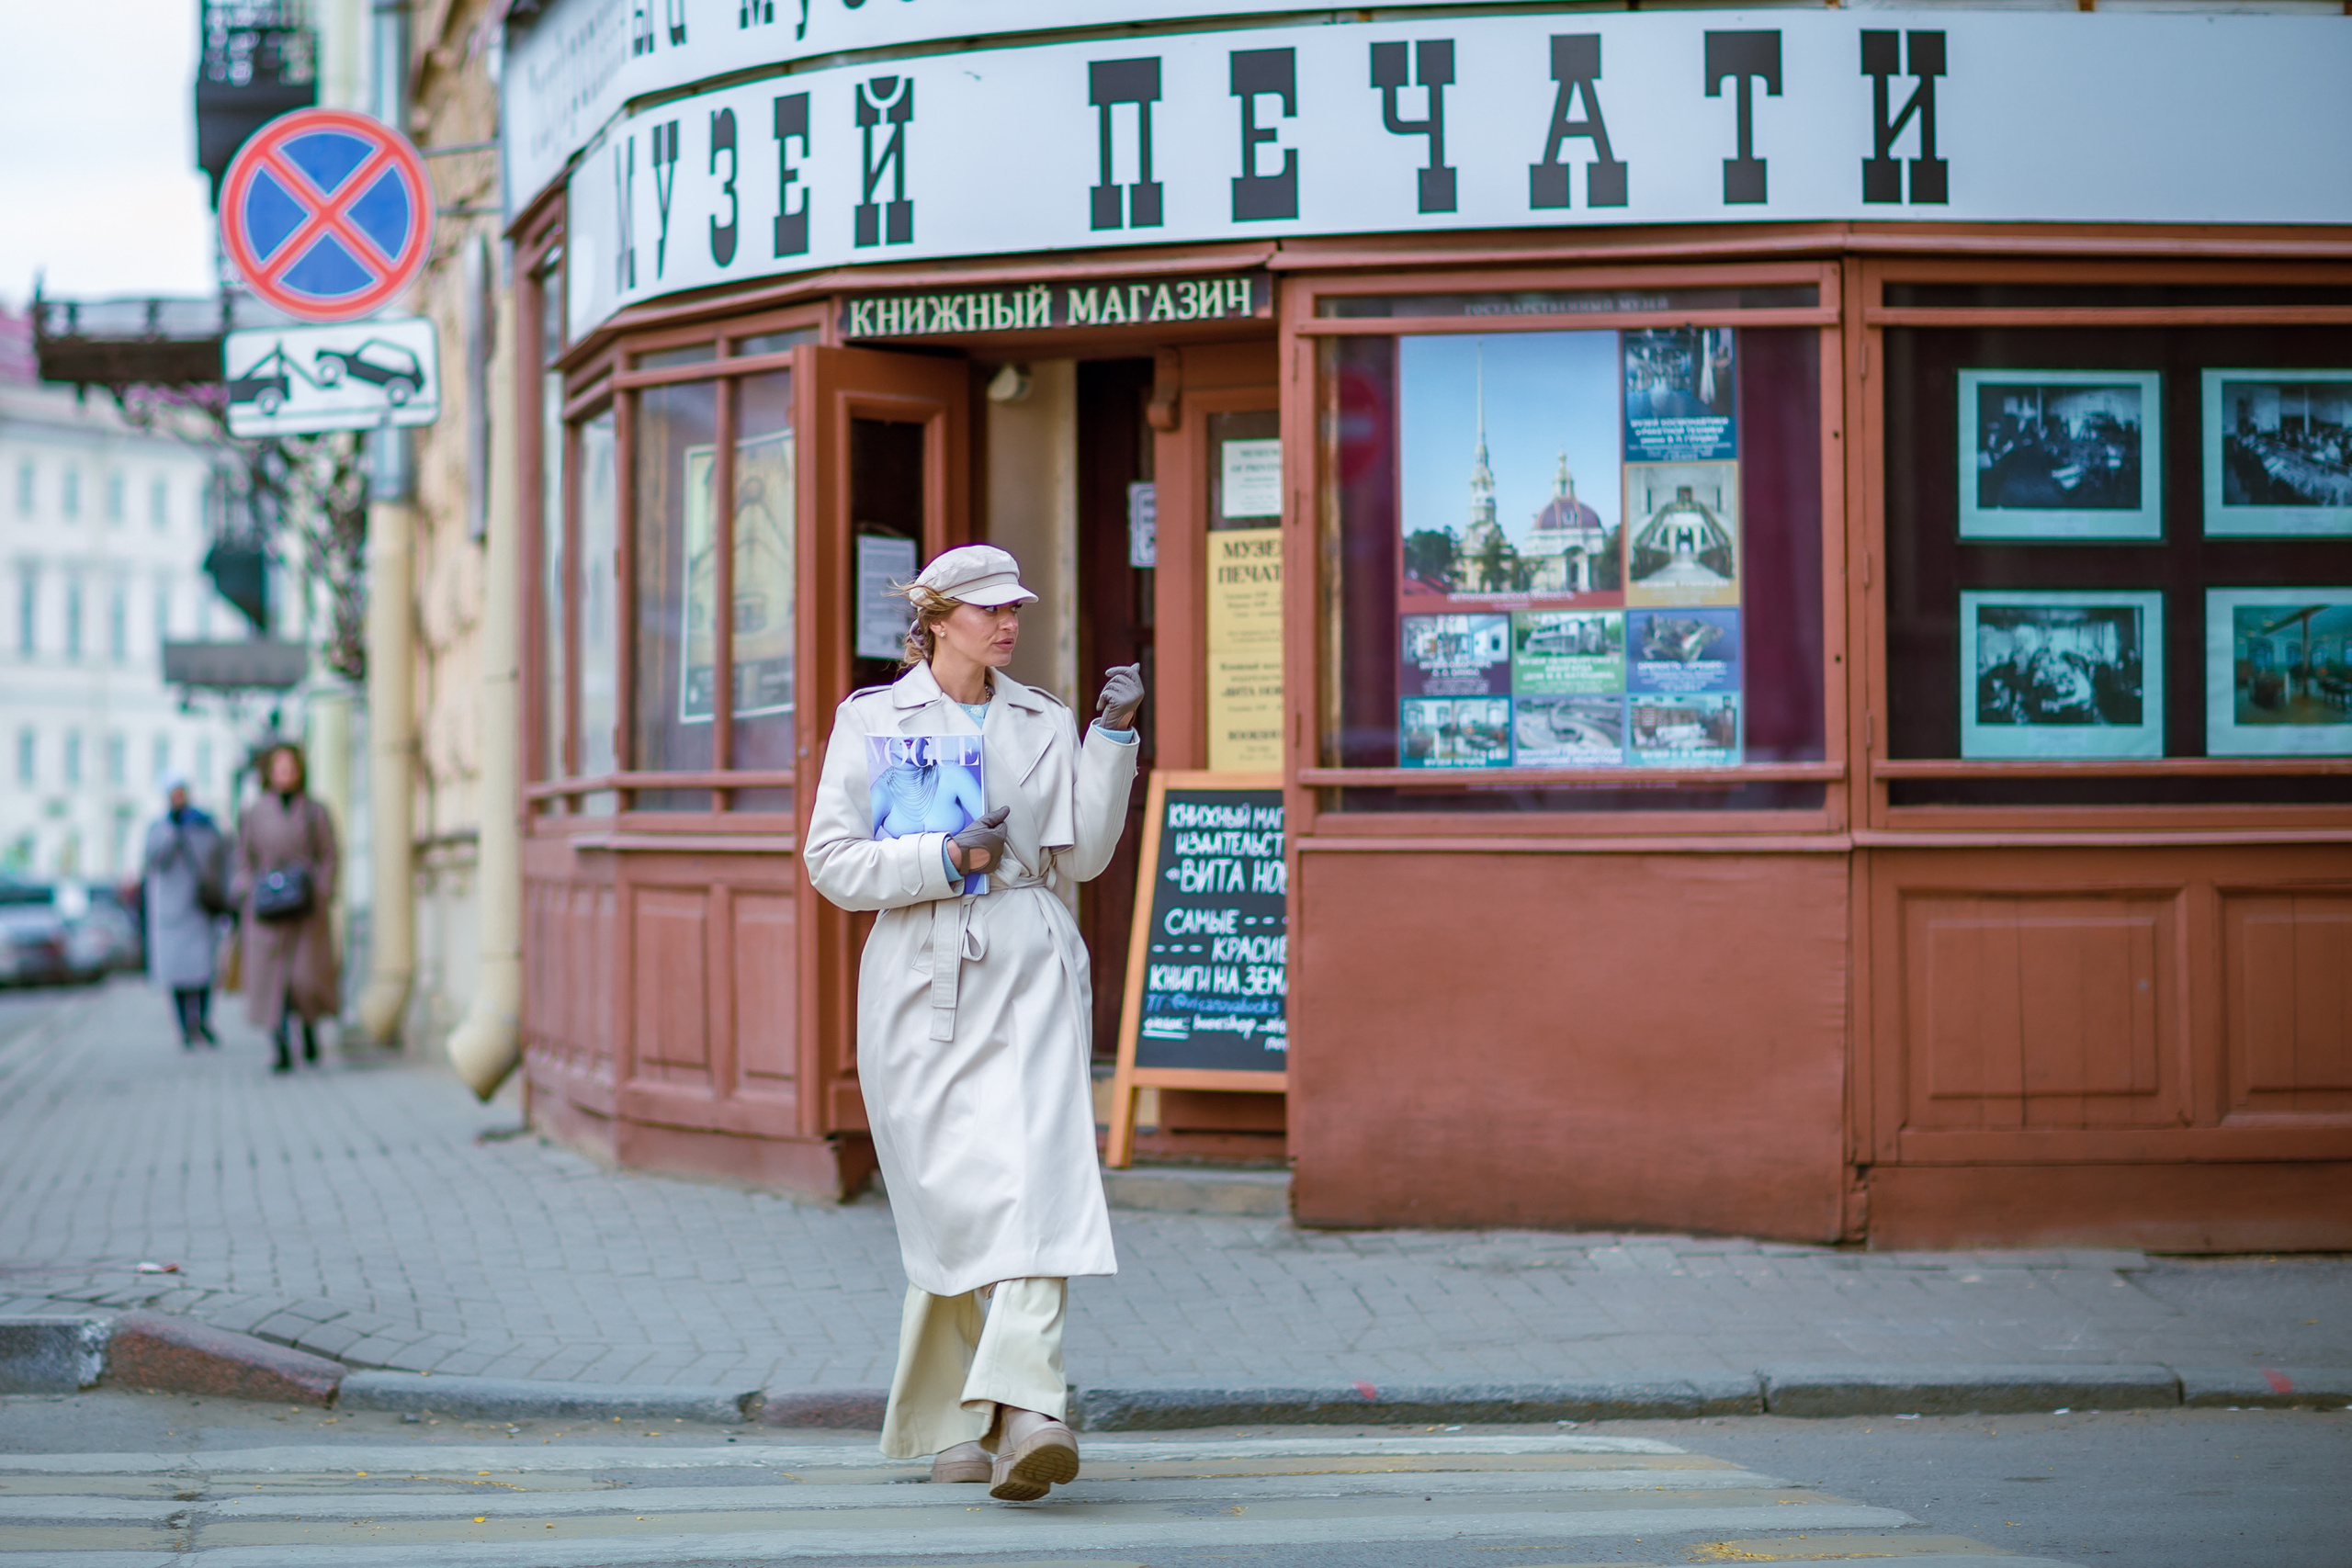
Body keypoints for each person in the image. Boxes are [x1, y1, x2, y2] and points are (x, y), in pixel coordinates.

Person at [804, 544, 1145, 1503]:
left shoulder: (1040, 717)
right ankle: (964, 1419)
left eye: (1015, 609)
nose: (1007, 623)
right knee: (950, 1193)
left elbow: (1086, 856)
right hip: (918, 972)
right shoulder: (873, 720)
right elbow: (831, 862)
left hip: (1029, 959)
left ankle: (1030, 1407)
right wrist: (941, 856)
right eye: (988, 609)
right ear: (938, 617)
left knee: (1039, 1180)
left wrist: (1111, 736)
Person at [235, 742, 341, 1074]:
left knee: (304, 980)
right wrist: (248, 888)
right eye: (279, 768)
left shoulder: (314, 811)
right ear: (269, 773)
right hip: (267, 909)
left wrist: (322, 889)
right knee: (271, 983)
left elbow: (330, 854)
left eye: (291, 768)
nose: (286, 774)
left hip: (305, 907)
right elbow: (243, 857)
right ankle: (279, 1045)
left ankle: (309, 1031)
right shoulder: (255, 813)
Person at [141, 775, 227, 1049]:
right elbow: (154, 859)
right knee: (177, 974)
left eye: (182, 794)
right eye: (174, 795)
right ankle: (184, 1028)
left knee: (204, 971)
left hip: (200, 907)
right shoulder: (160, 828)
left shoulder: (203, 825)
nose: (179, 799)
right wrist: (173, 831)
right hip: (171, 913)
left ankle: (202, 1021)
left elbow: (219, 857)